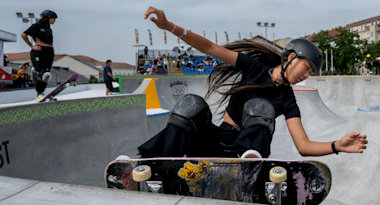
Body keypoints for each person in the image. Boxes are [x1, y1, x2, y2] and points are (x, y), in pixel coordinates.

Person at [136, 7, 368, 159]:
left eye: (310, 73)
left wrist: (337, 145)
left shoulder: (288, 100)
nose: (306, 75)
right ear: (290, 58)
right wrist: (170, 27)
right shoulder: (253, 66)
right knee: (191, 103)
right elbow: (210, 48)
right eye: (306, 68)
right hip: (216, 142)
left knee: (260, 107)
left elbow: (303, 146)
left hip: (246, 152)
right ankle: (152, 162)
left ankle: (247, 163)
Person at [21, 10, 57, 101]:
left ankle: (42, 94)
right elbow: (23, 35)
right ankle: (39, 93)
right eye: (53, 19)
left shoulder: (49, 28)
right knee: (42, 72)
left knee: (47, 74)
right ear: (47, 18)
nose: (54, 21)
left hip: (48, 52)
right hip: (39, 52)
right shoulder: (38, 26)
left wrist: (51, 49)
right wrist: (32, 46)